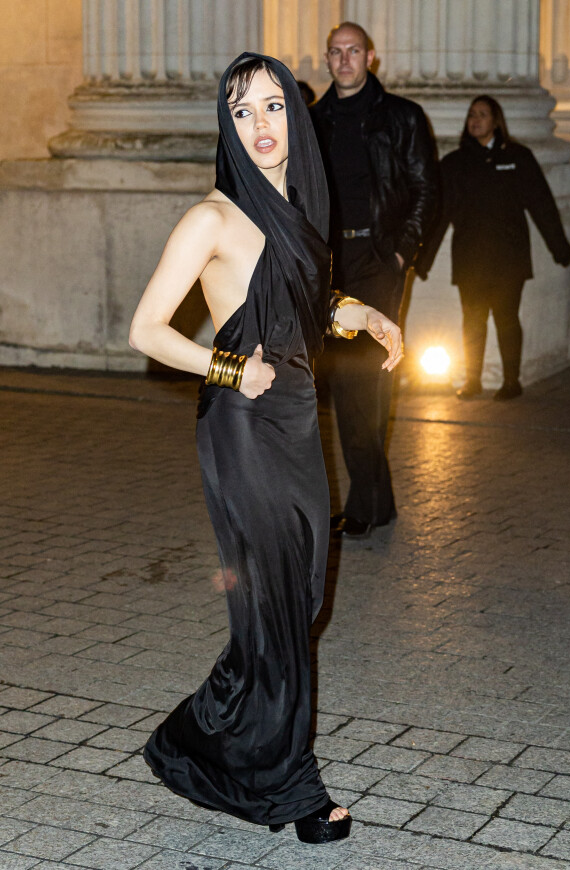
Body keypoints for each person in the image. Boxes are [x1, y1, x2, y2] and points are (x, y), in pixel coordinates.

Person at [129, 53, 402, 843]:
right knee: (277, 611)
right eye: (242, 111)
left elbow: (314, 302)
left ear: (297, 114)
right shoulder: (210, 218)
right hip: (241, 425)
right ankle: (293, 790)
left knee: (298, 601)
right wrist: (224, 364)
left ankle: (195, 738)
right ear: (227, 123)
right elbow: (145, 330)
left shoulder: (301, 211)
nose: (261, 126)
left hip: (294, 417)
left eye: (274, 106)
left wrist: (368, 316)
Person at [310, 21, 438, 538]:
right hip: (332, 262)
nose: (344, 60)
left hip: (379, 259)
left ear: (371, 57)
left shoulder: (402, 117)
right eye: (336, 52)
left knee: (369, 376)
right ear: (327, 60)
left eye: (354, 51)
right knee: (345, 382)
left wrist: (403, 253)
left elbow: (428, 188)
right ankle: (375, 502)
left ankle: (364, 505)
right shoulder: (313, 121)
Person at [416, 94, 570, 401]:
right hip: (470, 259)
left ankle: (511, 381)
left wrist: (559, 248)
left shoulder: (518, 157)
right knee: (472, 322)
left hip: (508, 259)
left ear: (496, 121)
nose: (475, 120)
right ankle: (472, 379)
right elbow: (441, 214)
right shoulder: (455, 163)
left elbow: (542, 205)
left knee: (506, 319)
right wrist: (423, 260)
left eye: (483, 114)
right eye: (472, 114)